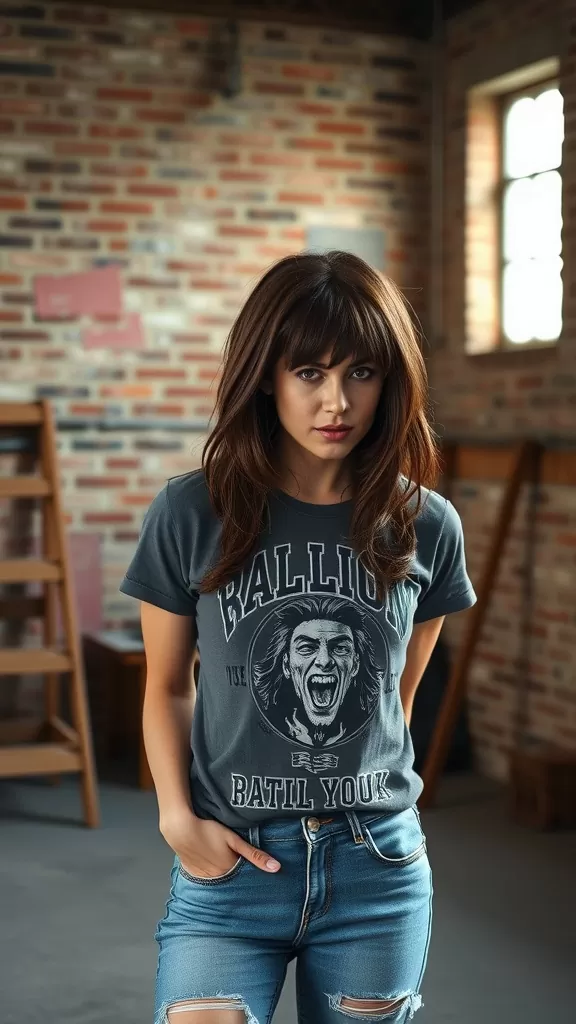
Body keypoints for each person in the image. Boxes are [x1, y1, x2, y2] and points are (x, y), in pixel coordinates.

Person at [120, 250, 477, 1024]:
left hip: (374, 868)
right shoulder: (192, 513)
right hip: (233, 866)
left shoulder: (428, 526)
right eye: (309, 372)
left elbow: (396, 703)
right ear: (266, 376)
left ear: (392, 381)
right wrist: (176, 819)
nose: (336, 400)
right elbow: (166, 685)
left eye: (361, 372)